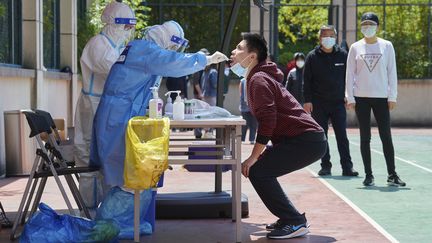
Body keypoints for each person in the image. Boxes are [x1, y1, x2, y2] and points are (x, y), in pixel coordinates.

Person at [90, 20, 228, 188]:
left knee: (120, 171)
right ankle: (118, 212)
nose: (172, 50)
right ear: (166, 39)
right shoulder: (147, 52)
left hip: (117, 112)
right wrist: (205, 59)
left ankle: (123, 210)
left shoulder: (139, 48)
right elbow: (172, 62)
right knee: (121, 175)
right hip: (119, 115)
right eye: (173, 46)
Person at [231, 33, 326, 239]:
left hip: (306, 141)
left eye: (239, 48)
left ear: (252, 56)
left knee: (257, 170)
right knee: (261, 170)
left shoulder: (257, 79)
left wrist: (254, 156)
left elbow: (268, 120)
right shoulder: (256, 77)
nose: (233, 51)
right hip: (304, 140)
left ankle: (294, 221)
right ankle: (288, 218)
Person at [74, 1, 136, 208]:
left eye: (130, 27)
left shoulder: (115, 45)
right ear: (111, 23)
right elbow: (117, 73)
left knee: (107, 157)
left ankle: (105, 209)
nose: (127, 31)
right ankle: (89, 211)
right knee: (90, 158)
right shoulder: (98, 44)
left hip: (106, 106)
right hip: (93, 105)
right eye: (124, 26)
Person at [346, 12, 406, 187]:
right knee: (365, 137)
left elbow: (392, 72)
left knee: (386, 136)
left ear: (377, 27)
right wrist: (350, 97)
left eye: (371, 24)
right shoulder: (355, 47)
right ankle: (369, 175)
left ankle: (392, 175)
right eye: (364, 24)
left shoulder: (387, 46)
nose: (367, 27)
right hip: (361, 98)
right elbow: (349, 74)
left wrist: (392, 95)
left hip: (381, 97)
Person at [303, 25, 359, 177]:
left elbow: (350, 79)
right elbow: (306, 81)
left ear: (335, 37)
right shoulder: (312, 57)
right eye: (324, 36)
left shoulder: (343, 55)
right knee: (322, 136)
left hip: (338, 103)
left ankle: (347, 167)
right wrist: (307, 101)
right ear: (320, 38)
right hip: (318, 103)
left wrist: (350, 96)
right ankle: (325, 166)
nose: (328, 39)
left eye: (331, 36)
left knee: (342, 136)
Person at [239, 78, 257, 144]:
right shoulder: (255, 79)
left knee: (244, 124)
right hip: (253, 105)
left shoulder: (242, 81)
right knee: (253, 123)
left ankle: (242, 139)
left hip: (244, 105)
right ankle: (252, 139)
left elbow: (240, 92)